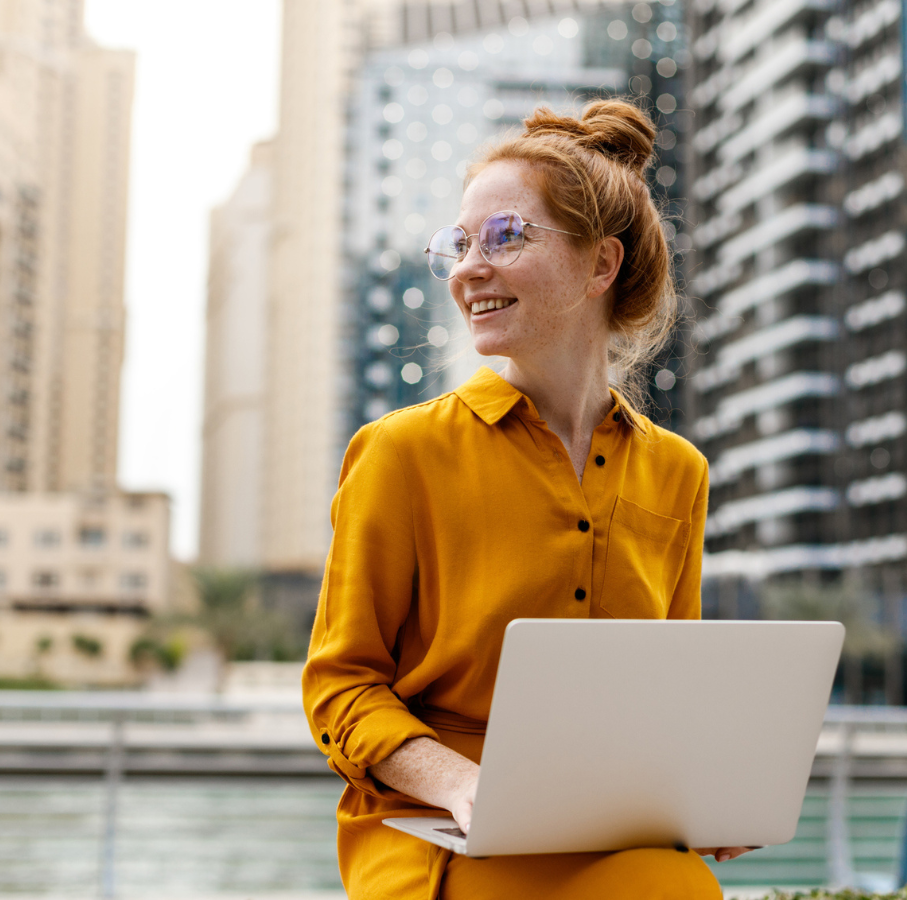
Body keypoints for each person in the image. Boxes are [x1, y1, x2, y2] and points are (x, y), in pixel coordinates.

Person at [302, 99, 750, 900]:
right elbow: (341, 688)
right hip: (436, 828)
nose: (470, 267)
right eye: (460, 244)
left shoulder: (679, 471)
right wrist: (463, 783)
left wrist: (705, 792)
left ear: (599, 266)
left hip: (611, 822)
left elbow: (667, 690)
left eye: (506, 236)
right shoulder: (400, 453)